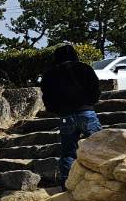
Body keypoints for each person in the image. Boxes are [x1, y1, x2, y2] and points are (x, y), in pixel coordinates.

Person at [39, 44, 103, 183]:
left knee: (68, 152)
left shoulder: (49, 74)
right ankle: (102, 179)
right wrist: (90, 102)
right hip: (86, 112)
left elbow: (47, 97)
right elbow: (95, 88)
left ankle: (67, 184)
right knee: (99, 146)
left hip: (65, 116)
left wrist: (57, 110)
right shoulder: (84, 68)